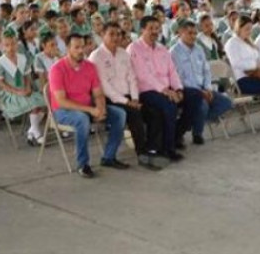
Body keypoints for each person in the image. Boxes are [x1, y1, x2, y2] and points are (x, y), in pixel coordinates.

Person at [47, 33, 128, 178]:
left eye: (83, 46)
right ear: (67, 48)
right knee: (82, 119)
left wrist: (101, 108)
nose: (81, 50)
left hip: (87, 107)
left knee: (119, 114)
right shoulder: (57, 69)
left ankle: (109, 157)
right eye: (76, 47)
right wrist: (91, 110)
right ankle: (83, 164)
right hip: (63, 111)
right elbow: (61, 101)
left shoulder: (90, 67)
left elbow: (98, 93)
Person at [90, 22, 160, 169]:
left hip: (129, 97)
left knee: (153, 112)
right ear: (102, 35)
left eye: (118, 34)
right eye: (111, 34)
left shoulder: (123, 53)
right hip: (109, 99)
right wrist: (127, 102)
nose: (116, 37)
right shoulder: (96, 56)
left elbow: (132, 77)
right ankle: (141, 154)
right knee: (134, 113)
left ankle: (151, 148)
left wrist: (134, 98)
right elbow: (105, 87)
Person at [127, 16, 186, 160]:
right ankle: (168, 148)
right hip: (146, 91)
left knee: (193, 98)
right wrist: (166, 91)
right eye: (150, 28)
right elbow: (143, 75)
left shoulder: (162, 48)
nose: (155, 31)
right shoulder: (134, 48)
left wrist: (178, 89)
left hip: (166, 90)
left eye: (156, 28)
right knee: (170, 105)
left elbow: (172, 71)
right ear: (142, 30)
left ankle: (177, 136)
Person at [171, 20, 233, 145]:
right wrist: (200, 92)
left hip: (204, 88)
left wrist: (208, 88)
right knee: (203, 105)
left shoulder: (199, 49)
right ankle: (197, 133)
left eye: (195, 33)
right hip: (187, 91)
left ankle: (194, 123)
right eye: (190, 33)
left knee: (226, 103)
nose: (193, 36)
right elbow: (177, 78)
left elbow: (206, 71)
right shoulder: (174, 52)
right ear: (180, 33)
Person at [0, 30, 46, 146]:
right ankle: (36, 133)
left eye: (13, 44)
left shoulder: (22, 58)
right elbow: (0, 83)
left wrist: (27, 87)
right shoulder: (0, 62)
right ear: (2, 46)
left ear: (17, 44)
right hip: (9, 93)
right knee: (34, 105)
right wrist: (17, 92)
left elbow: (26, 76)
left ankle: (32, 130)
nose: (11, 48)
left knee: (44, 103)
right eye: (7, 45)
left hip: (23, 90)